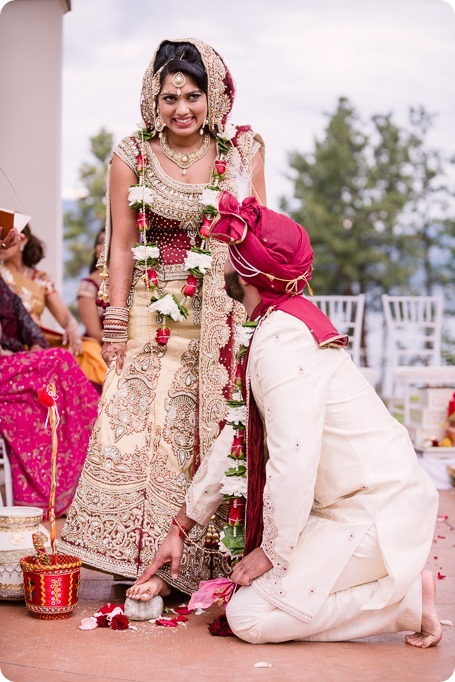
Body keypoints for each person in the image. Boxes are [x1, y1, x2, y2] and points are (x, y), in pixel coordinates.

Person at [129, 191, 441, 649]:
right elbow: (235, 438)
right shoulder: (278, 325)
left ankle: (408, 602)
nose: (224, 267)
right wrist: (182, 526)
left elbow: (293, 458)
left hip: (375, 513)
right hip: (346, 509)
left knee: (248, 616)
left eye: (231, 257)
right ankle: (391, 594)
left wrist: (273, 552)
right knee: (250, 597)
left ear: (248, 271)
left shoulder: (282, 341)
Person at [59, 39, 266, 594]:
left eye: (193, 96)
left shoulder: (240, 152)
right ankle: (132, 553)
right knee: (138, 422)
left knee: (210, 427)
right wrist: (117, 324)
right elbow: (122, 247)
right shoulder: (133, 154)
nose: (182, 108)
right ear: (153, 97)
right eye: (170, 95)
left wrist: (256, 317)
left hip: (220, 307)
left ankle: (198, 559)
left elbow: (254, 234)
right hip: (154, 304)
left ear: (213, 96)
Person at [0, 276, 99, 516]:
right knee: (60, 361)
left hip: (12, 358)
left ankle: (77, 483)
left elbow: (22, 316)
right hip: (6, 363)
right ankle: (99, 451)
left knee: (52, 394)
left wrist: (34, 345)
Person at [0, 223, 107, 386]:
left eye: (9, 236)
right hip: (12, 339)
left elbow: (65, 316)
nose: (4, 241)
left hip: (39, 338)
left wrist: (71, 328)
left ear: (22, 240)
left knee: (89, 350)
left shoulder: (41, 279)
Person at [76, 228, 108, 386]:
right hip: (98, 352)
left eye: (106, 242)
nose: (100, 247)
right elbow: (95, 333)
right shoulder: (88, 285)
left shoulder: (132, 281)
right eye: (98, 242)